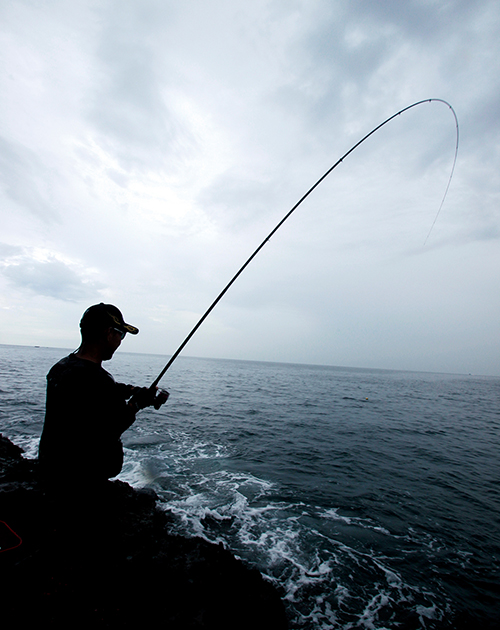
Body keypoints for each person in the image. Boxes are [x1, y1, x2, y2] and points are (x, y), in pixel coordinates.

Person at [38, 303, 168, 487]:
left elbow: (93, 393)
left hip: (51, 469)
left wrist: (132, 391)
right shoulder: (96, 379)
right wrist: (136, 404)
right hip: (79, 481)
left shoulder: (62, 367)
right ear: (109, 333)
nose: (121, 341)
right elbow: (112, 427)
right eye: (121, 334)